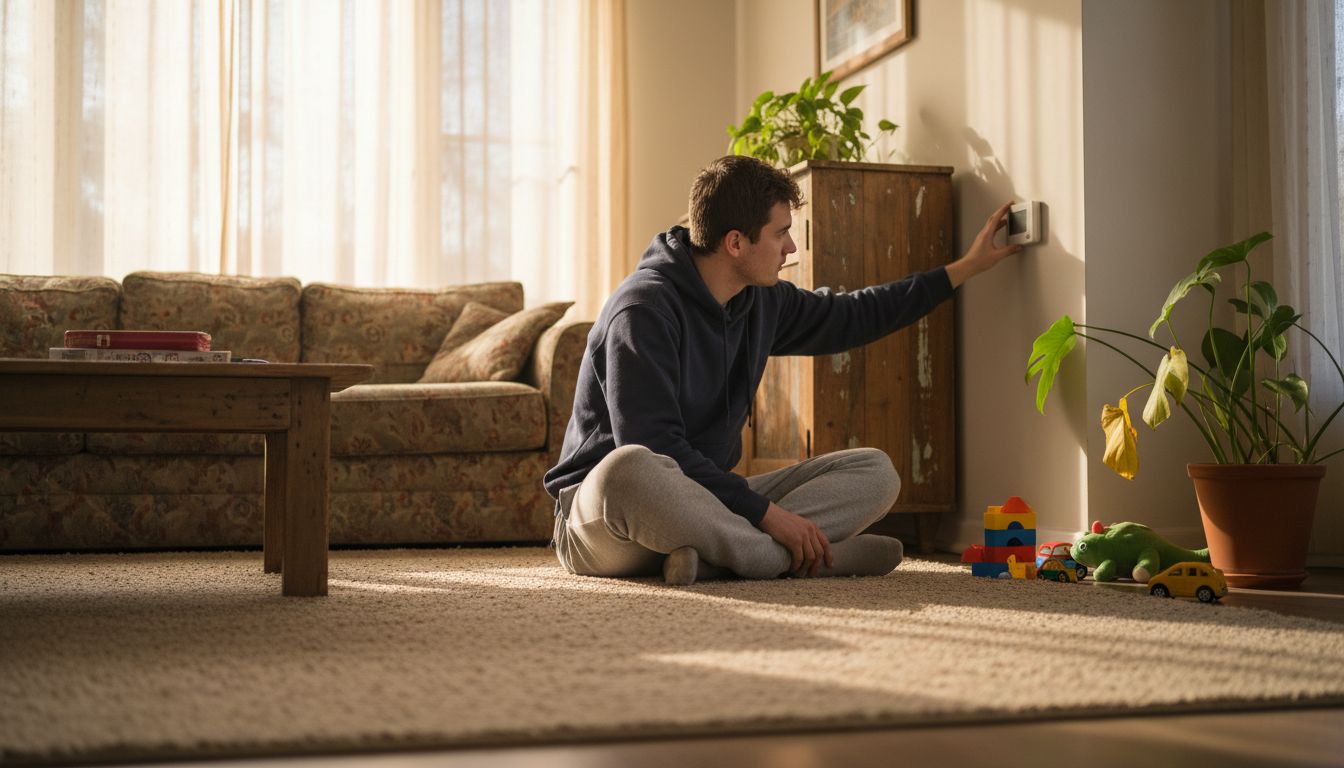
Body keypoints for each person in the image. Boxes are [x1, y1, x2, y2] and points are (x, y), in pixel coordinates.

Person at [543, 155, 1023, 585]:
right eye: (780, 233)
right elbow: (653, 445)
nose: (791, 247)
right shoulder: (643, 309)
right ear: (735, 242)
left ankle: (713, 558)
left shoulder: (760, 301)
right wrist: (767, 515)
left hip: (704, 503)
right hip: (604, 521)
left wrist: (963, 269)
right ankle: (778, 557)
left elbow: (851, 316)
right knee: (630, 470)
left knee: (876, 471)